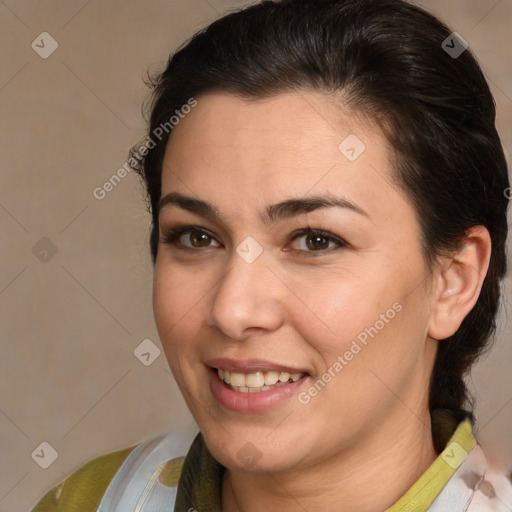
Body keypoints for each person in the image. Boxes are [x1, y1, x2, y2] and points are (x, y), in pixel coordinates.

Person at [31, 0, 512, 510]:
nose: (232, 311)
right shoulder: (91, 500)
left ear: (453, 281)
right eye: (197, 237)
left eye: (315, 240)